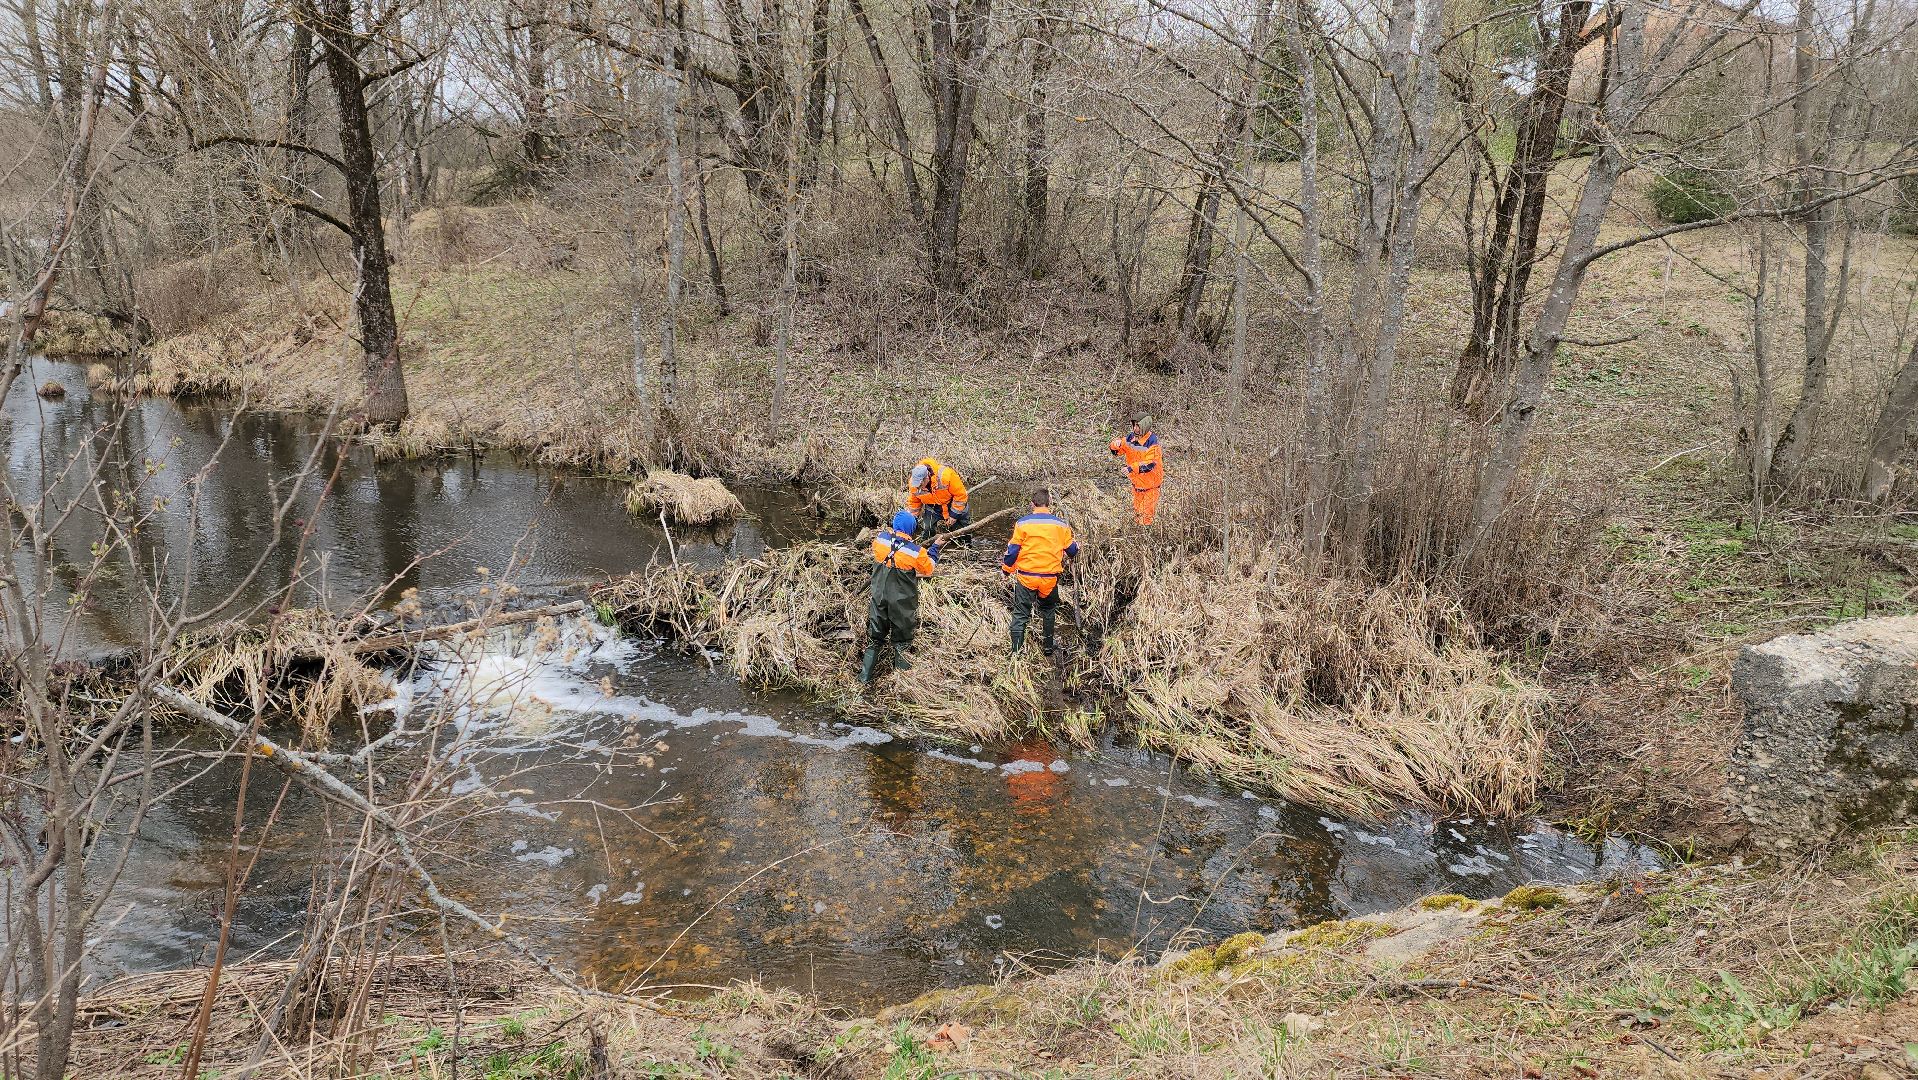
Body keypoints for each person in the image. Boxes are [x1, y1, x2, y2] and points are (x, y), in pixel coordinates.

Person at [861, 509, 940, 683]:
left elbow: (882, 549)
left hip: (878, 599)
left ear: (895, 526)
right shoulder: (916, 552)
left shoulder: (880, 540)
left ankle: (863, 680)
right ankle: (902, 684)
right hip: (902, 605)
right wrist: (935, 549)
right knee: (902, 642)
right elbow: (928, 569)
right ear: (912, 529)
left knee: (874, 639)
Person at [1002, 489, 1079, 657]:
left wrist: (1006, 571)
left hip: (1027, 577)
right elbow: (1072, 550)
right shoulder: (1061, 525)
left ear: (1032, 504)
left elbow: (1012, 551)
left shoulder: (1022, 523)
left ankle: (1016, 653)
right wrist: (1076, 545)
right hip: (1049, 579)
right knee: (1049, 611)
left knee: (1020, 614)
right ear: (1049, 503)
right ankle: (1048, 648)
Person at [1109, 413, 1164, 525]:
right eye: (1134, 425)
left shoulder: (1152, 442)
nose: (1135, 428)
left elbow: (1150, 464)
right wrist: (1115, 444)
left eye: (1138, 426)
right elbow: (1116, 452)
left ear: (1144, 426)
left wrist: (1131, 468)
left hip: (1151, 487)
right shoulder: (1131, 438)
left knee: (1146, 518)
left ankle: (1145, 533)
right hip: (1137, 486)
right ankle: (1139, 532)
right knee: (1138, 514)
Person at [907, 458, 970, 540]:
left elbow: (960, 495)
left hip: (953, 503)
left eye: (920, 485)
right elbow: (914, 503)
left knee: (962, 531)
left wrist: (954, 515)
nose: (918, 488)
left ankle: (965, 544)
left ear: (927, 478)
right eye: (916, 485)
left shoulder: (946, 475)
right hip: (932, 507)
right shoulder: (913, 484)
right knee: (927, 530)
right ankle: (930, 544)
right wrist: (912, 520)